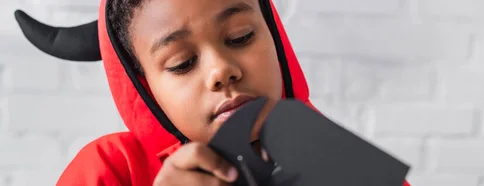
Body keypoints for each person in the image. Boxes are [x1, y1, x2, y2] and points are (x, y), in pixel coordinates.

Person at [16, 0, 412, 185]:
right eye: (181, 62)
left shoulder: (339, 161)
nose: (222, 70)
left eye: (240, 36)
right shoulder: (113, 169)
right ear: (145, 89)